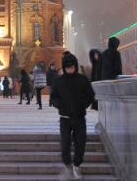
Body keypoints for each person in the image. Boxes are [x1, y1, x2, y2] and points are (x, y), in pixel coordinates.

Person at [51, 51, 95, 180]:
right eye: (68, 67)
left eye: (72, 66)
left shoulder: (82, 79)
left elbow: (90, 96)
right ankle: (67, 165)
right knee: (65, 143)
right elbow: (54, 97)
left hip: (79, 117)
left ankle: (76, 165)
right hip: (65, 118)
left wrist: (82, 105)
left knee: (80, 143)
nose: (70, 69)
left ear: (75, 66)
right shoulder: (59, 81)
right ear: (64, 67)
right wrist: (60, 105)